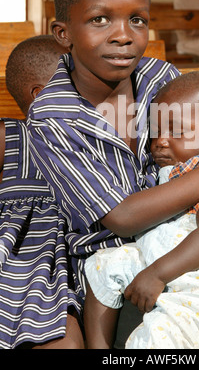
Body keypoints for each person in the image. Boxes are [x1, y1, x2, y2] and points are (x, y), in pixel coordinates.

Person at [26, 0, 199, 349]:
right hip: (115, 270)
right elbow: (122, 219)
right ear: (63, 33)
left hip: (191, 246)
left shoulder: (160, 76)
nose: (124, 34)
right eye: (100, 19)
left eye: (137, 19)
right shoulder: (55, 118)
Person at [83, 71, 199, 349]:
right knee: (103, 266)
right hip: (175, 257)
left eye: (177, 131)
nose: (161, 141)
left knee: (160, 339)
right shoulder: (185, 164)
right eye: (156, 132)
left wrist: (157, 274)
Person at [0, 35, 84, 349]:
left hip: (72, 267)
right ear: (41, 95)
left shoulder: (101, 142)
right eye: (78, 83)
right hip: (21, 259)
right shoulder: (13, 136)